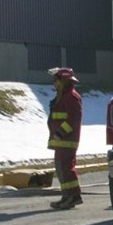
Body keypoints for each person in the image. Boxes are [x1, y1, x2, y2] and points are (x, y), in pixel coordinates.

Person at [46, 67, 83, 210]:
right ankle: (67, 196)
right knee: (62, 168)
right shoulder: (64, 96)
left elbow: (73, 119)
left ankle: (73, 196)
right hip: (61, 141)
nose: (54, 83)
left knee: (66, 168)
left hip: (67, 140)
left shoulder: (72, 97)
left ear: (64, 81)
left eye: (56, 80)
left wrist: (60, 133)